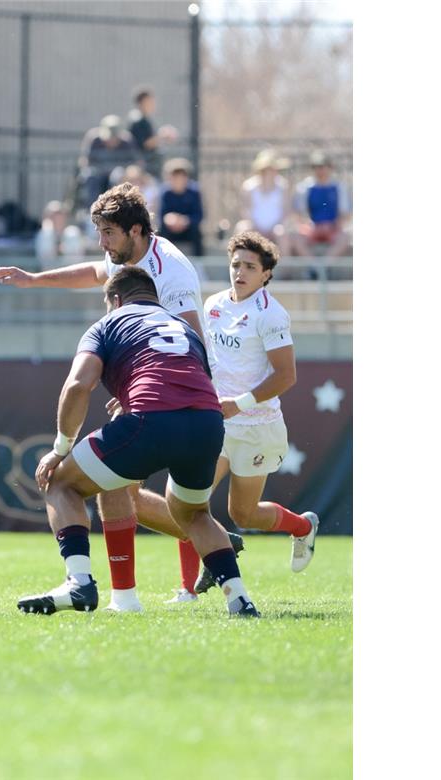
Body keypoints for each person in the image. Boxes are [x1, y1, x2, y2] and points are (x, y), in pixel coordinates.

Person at [0, 182, 207, 613]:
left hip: (178, 390)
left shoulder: (172, 273)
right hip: (148, 389)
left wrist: (142, 390)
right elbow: (94, 272)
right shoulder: (122, 256)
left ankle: (115, 591)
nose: (102, 243)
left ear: (138, 231)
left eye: (109, 233)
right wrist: (34, 280)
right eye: (100, 233)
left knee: (105, 483)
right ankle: (204, 544)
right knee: (122, 490)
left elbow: (192, 341)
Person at [19, 266, 260, 618]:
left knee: (61, 483)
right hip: (207, 422)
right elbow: (191, 377)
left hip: (152, 419)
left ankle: (79, 582)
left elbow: (77, 386)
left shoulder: (108, 323)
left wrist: (60, 448)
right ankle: (239, 599)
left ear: (115, 299)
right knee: (194, 514)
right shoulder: (184, 327)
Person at [155, 232, 318, 601]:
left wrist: (240, 403)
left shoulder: (271, 313)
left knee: (243, 514)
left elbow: (286, 376)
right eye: (235, 264)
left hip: (256, 426)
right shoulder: (213, 305)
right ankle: (187, 588)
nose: (240, 272)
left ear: (266, 275)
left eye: (249, 266)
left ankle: (302, 526)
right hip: (214, 421)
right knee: (185, 501)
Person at [291, 150, 352, 257]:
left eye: (323, 166)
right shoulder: (304, 188)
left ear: (330, 168)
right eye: (317, 167)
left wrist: (332, 225)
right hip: (311, 229)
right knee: (297, 238)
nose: (320, 170)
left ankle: (324, 265)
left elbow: (345, 214)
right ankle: (313, 267)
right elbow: (299, 214)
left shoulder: (339, 188)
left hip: (333, 228)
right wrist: (311, 225)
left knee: (344, 238)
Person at [239, 149, 292, 249]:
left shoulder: (283, 186)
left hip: (276, 228)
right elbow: (246, 211)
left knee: (282, 232)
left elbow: (286, 211)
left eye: (272, 169)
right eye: (266, 169)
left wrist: (275, 226)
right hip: (254, 227)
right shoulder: (249, 187)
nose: (269, 173)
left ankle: (285, 264)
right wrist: (257, 227)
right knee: (242, 228)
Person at [158, 158, 204, 257]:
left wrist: (185, 221)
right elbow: (162, 215)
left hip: (188, 230)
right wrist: (170, 220)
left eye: (181, 176)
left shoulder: (194, 192)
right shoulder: (166, 193)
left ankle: (200, 264)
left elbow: (199, 215)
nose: (178, 180)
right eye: (175, 177)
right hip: (170, 230)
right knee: (161, 233)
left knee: (196, 232)